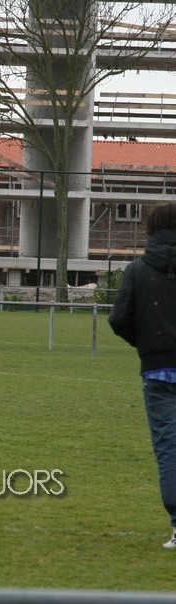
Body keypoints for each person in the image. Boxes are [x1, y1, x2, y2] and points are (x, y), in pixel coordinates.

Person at [109, 201, 176, 549]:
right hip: (158, 365)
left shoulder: (137, 270)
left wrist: (148, 345)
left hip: (158, 370)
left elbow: (119, 318)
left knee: (169, 449)